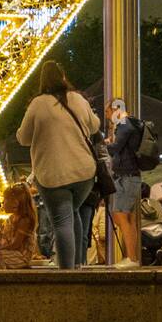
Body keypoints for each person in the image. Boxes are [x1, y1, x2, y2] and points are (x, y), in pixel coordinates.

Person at [14, 61, 101, 269]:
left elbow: (23, 138)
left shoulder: (38, 104)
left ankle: (67, 273)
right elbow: (95, 125)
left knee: (62, 221)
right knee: (72, 212)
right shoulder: (78, 99)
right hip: (84, 173)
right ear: (63, 77)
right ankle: (79, 263)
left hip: (53, 175)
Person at [106, 100, 143, 269]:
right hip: (127, 176)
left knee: (121, 215)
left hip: (127, 177)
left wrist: (106, 143)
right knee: (124, 216)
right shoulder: (128, 124)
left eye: (108, 113)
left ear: (115, 109)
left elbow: (115, 148)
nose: (108, 117)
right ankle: (131, 257)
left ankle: (132, 258)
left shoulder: (125, 123)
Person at [0, 182, 39, 269]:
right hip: (10, 253)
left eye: (5, 199)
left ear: (15, 202)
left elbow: (15, 245)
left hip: (20, 257)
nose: (2, 202)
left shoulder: (24, 220)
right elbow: (4, 240)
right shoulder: (10, 218)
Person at [138, 183, 162, 265]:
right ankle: (159, 250)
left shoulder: (136, 204)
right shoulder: (156, 203)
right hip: (160, 236)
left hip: (145, 237)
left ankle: (142, 252)